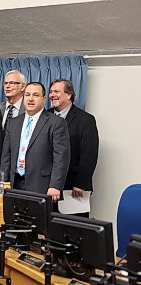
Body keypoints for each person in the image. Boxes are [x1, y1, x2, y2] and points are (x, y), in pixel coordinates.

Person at [0, 82, 70, 202]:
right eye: (27, 95)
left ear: (44, 99)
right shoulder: (13, 123)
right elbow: (6, 155)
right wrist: (3, 182)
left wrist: (55, 185)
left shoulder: (56, 123)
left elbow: (61, 157)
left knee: (38, 220)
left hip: (41, 185)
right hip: (14, 184)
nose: (30, 99)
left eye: (35, 95)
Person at [49, 79, 99, 217]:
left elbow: (89, 154)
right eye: (51, 91)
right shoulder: (44, 116)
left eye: (57, 91)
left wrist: (80, 183)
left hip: (73, 187)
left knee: (74, 230)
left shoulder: (85, 120)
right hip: (49, 186)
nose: (52, 95)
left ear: (69, 95)